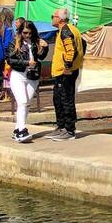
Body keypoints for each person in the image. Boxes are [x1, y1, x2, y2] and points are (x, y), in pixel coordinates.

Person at [5, 21, 48, 143]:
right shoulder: (14, 42)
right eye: (25, 33)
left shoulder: (36, 42)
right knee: (22, 102)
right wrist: (26, 63)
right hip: (18, 74)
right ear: (20, 32)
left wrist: (45, 47)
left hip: (32, 76)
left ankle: (17, 130)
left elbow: (41, 57)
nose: (27, 35)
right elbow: (10, 60)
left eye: (30, 33)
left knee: (26, 104)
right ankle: (22, 130)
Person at [47, 7, 86, 140]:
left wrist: (68, 67)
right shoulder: (70, 30)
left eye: (52, 16)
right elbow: (83, 45)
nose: (51, 18)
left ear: (59, 19)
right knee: (58, 100)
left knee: (66, 100)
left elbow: (71, 51)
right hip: (61, 72)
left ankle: (69, 130)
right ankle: (61, 126)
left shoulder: (66, 31)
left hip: (65, 73)